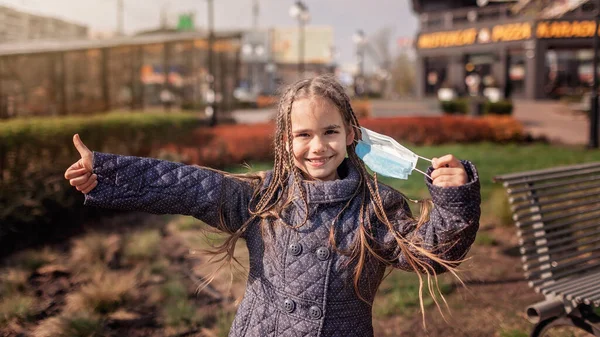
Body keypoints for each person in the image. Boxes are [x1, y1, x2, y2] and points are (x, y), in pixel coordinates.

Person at [64, 75, 480, 337]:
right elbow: (189, 186)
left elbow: (433, 253)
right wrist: (109, 173)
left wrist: (452, 197)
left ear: (351, 134)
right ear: (285, 142)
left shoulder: (376, 206)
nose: (317, 147)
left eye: (330, 131)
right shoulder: (265, 196)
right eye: (303, 135)